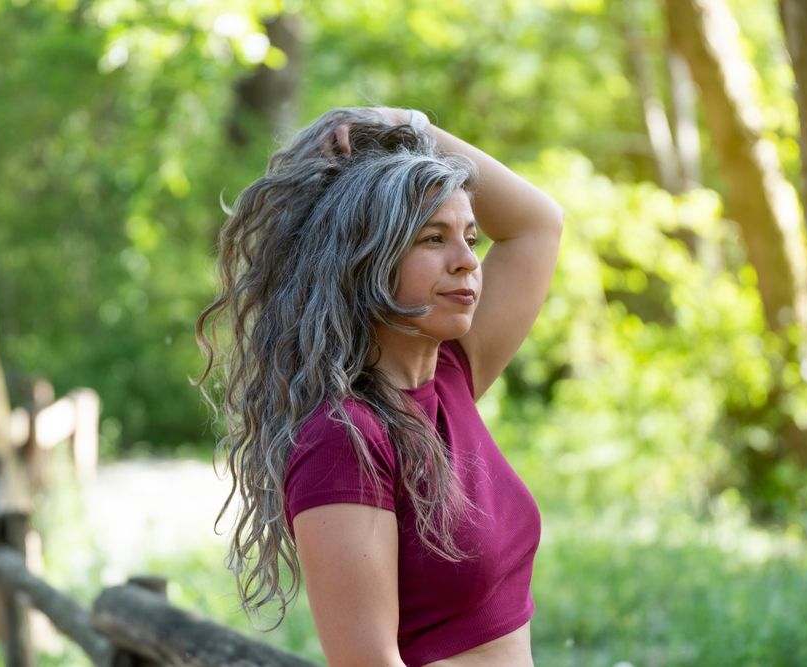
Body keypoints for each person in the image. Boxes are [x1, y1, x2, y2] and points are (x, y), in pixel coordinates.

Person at [197, 106, 563, 667]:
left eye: (469, 237)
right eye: (433, 238)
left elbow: (538, 224)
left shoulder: (451, 380)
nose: (468, 261)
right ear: (364, 260)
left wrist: (409, 124)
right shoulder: (344, 439)